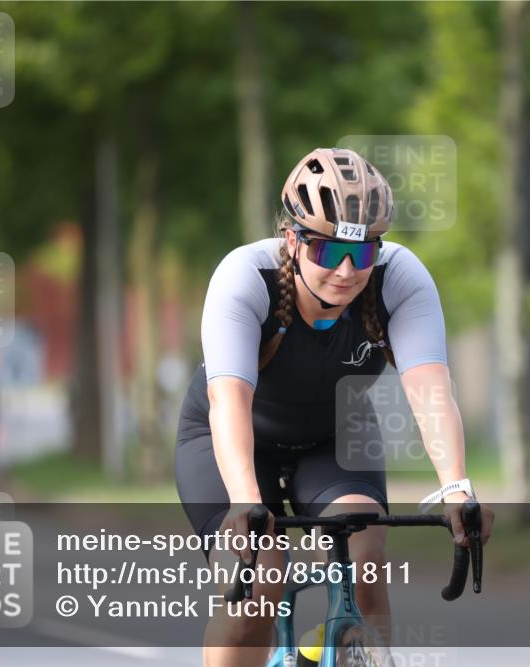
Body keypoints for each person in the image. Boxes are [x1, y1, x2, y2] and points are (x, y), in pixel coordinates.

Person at [175, 147, 494, 666]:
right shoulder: (244, 277)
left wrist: (456, 485)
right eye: (327, 252)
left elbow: (430, 388)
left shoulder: (400, 279)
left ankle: (334, 652)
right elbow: (227, 397)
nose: (347, 271)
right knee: (258, 587)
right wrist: (244, 501)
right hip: (230, 440)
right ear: (291, 240)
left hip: (334, 434)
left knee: (365, 562)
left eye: (363, 253)